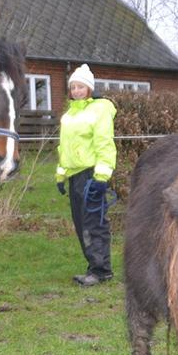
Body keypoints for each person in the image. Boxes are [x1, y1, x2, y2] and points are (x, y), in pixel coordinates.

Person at [55, 63, 116, 286]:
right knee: (81, 224)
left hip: (91, 175)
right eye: (73, 87)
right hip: (75, 176)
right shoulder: (70, 114)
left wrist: (101, 177)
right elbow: (65, 147)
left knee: (94, 223)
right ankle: (93, 266)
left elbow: (104, 144)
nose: (77, 91)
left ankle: (101, 271)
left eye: (81, 87)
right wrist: (61, 175)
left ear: (89, 88)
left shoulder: (100, 110)